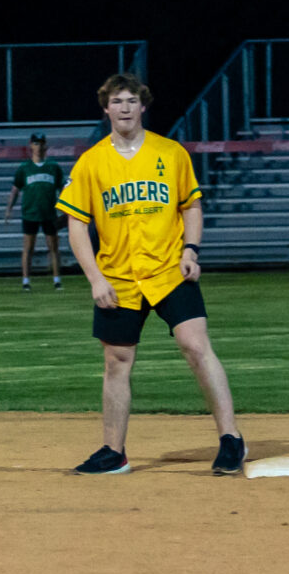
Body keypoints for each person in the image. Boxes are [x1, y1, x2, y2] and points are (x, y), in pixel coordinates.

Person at [56, 73, 244, 476]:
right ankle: (114, 452)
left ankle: (231, 439)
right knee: (117, 361)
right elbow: (76, 225)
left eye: (131, 100)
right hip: (119, 277)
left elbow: (191, 206)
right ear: (105, 109)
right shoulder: (91, 162)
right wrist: (95, 278)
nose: (124, 108)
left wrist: (191, 250)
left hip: (169, 269)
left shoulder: (171, 152)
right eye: (117, 101)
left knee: (195, 346)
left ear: (143, 105)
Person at [2, 133, 67, 290]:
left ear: (46, 146)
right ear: (31, 146)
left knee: (53, 247)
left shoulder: (53, 167)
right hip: (30, 213)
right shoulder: (24, 168)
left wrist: (65, 209)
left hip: (49, 213)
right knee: (28, 248)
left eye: (41, 143)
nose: (39, 147)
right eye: (36, 143)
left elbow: (63, 189)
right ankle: (26, 281)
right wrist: (8, 209)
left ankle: (57, 280)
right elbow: (15, 190)